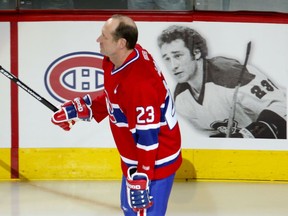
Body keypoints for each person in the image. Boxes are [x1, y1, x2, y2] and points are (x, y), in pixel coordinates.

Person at [51, 14, 182, 216]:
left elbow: (148, 138)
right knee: (129, 212)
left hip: (155, 160)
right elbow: (117, 97)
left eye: (104, 36)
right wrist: (87, 109)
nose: (98, 40)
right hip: (134, 157)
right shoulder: (117, 59)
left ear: (121, 43)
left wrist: (143, 176)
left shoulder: (139, 84)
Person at [157, 25, 287, 139]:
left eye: (178, 56)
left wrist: (248, 135)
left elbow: (282, 106)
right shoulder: (181, 99)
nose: (173, 66)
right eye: (167, 59)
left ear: (196, 53)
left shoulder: (230, 76)